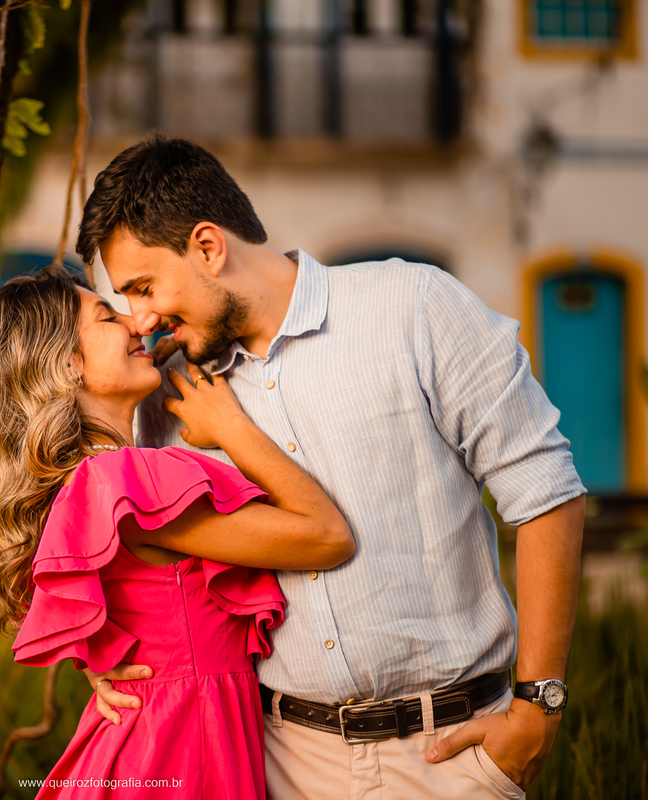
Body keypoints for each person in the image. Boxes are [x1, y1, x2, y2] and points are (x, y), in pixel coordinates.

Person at [77, 135, 587, 799]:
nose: (141, 319)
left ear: (209, 246)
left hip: (451, 758)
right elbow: (126, 540)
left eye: (144, 287)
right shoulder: (163, 397)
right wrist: (102, 649)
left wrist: (538, 707)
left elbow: (545, 492)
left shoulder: (414, 307)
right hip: (277, 761)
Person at [0, 266, 356, 798]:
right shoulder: (129, 478)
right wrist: (232, 428)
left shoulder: (83, 482)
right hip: (177, 750)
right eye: (107, 315)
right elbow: (326, 536)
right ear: (69, 365)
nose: (134, 322)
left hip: (152, 742)